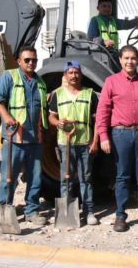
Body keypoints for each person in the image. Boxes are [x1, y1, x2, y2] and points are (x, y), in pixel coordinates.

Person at [96, 45, 138, 232]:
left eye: (133, 58)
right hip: (120, 134)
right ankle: (120, 215)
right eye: (126, 58)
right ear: (120, 60)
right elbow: (103, 111)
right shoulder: (111, 82)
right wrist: (103, 136)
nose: (129, 61)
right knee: (122, 175)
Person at [0, 46, 49, 226]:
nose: (31, 63)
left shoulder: (40, 82)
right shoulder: (9, 77)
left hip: (35, 138)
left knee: (35, 177)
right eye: (27, 60)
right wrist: (7, 117)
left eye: (34, 60)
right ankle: (2, 210)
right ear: (19, 61)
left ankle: (31, 210)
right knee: (9, 176)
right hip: (14, 137)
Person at [48, 60, 100, 226]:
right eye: (70, 72)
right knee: (66, 178)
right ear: (65, 75)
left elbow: (98, 119)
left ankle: (89, 211)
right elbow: (51, 116)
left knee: (86, 178)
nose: (73, 75)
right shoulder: (58, 94)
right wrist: (57, 123)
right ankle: (66, 211)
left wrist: (95, 140)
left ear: (81, 75)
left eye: (76, 72)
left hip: (85, 141)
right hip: (65, 142)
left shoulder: (89, 94)